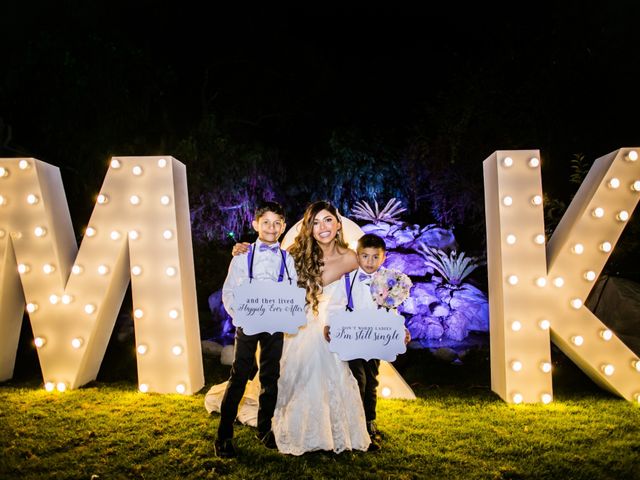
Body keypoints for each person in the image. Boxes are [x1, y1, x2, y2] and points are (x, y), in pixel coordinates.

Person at [272, 200, 370, 455]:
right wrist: (243, 251)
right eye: (315, 222)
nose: (322, 227)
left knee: (336, 374)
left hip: (332, 329)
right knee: (300, 374)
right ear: (309, 228)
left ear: (338, 225)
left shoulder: (352, 258)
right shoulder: (296, 252)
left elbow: (361, 298)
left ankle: (335, 430)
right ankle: (299, 430)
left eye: (327, 220)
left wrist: (390, 325)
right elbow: (266, 271)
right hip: (300, 327)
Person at [214, 201, 297, 458]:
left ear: (283, 226)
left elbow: (292, 290)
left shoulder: (287, 258)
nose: (271, 228)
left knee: (270, 376)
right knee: (239, 375)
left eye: (276, 223)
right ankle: (224, 434)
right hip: (248, 324)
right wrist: (240, 317)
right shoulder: (242, 256)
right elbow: (229, 291)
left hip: (275, 326)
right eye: (266, 223)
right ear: (255, 225)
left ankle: (264, 428)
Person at [323, 233, 411, 451]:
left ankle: (369, 422)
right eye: (365, 256)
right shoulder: (346, 280)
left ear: (383, 258)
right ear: (358, 256)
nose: (369, 262)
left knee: (371, 382)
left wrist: (400, 329)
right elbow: (334, 306)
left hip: (374, 343)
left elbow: (391, 310)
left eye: (375, 257)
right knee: (357, 380)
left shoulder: (390, 283)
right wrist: (329, 324)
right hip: (352, 341)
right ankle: (355, 425)